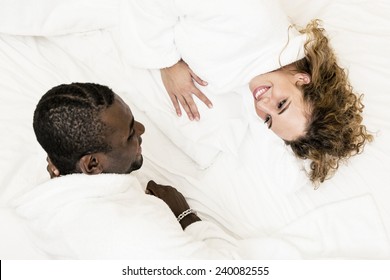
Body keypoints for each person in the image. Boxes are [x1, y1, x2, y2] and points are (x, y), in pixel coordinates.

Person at [121, 0, 372, 185]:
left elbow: (280, 172)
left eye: (268, 119)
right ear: (302, 79)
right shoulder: (253, 20)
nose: (263, 104)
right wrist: (167, 61)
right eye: (282, 104)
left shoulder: (253, 72)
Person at [14, 82, 238, 259]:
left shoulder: (42, 195)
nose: (142, 129)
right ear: (92, 165)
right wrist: (185, 216)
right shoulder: (135, 227)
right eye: (130, 134)